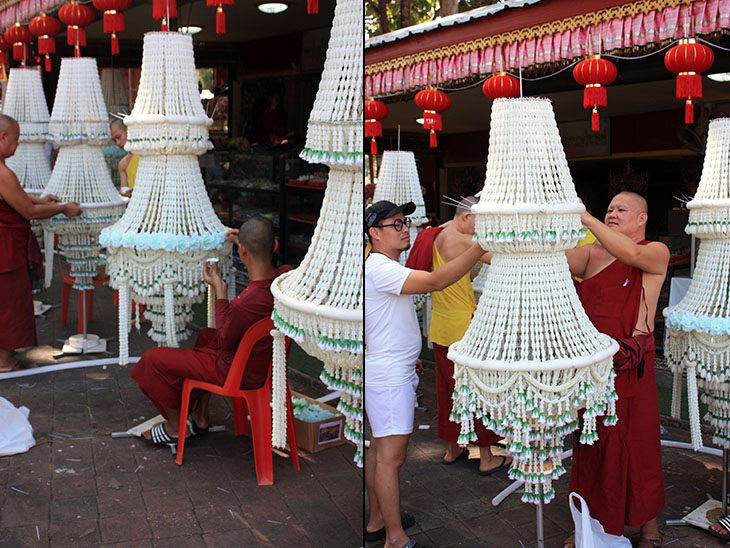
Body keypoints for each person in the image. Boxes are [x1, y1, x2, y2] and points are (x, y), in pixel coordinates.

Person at [364, 200, 485, 548]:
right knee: (391, 457)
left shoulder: (385, 266)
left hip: (392, 367)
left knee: (380, 450)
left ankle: (377, 521)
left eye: (406, 222)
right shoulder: (380, 268)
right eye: (396, 224)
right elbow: (435, 281)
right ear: (375, 233)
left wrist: (409, 355)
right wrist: (480, 245)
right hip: (388, 377)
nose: (405, 229)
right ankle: (394, 538)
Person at [565, 192, 669, 548]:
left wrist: (587, 217)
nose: (611, 214)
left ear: (641, 219)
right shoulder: (592, 253)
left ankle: (649, 529)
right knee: (592, 446)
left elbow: (632, 255)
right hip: (592, 368)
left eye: (620, 210)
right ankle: (590, 527)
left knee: (637, 447)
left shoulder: (655, 251)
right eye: (608, 209)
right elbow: (546, 263)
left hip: (629, 367)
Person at [130, 216, 291, 444]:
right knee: (206, 336)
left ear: (242, 251)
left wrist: (220, 291)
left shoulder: (245, 304)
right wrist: (242, 242)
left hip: (238, 371)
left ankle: (176, 428)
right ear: (274, 246)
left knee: (152, 360)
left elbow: (225, 340)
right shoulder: (286, 278)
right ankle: (200, 416)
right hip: (266, 363)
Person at [406, 197, 510, 474]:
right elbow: (502, 259)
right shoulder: (464, 241)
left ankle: (453, 449)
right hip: (463, 327)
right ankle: (487, 456)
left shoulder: (437, 233)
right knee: (477, 391)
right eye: (479, 222)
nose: (481, 231)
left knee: (448, 391)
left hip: (440, 325)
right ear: (465, 218)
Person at [0, 113, 82, 372]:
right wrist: (62, 208)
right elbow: (28, 212)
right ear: (2, 138)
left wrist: (43, 200)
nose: (17, 145)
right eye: (15, 140)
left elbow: (16, 198)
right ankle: (3, 361)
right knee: (9, 303)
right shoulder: (2, 172)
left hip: (6, 243)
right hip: (5, 248)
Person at [110, 118, 138, 197]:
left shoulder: (148, 154)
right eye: (114, 141)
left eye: (119, 137)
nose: (118, 143)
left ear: (128, 131)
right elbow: (125, 192)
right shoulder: (123, 164)